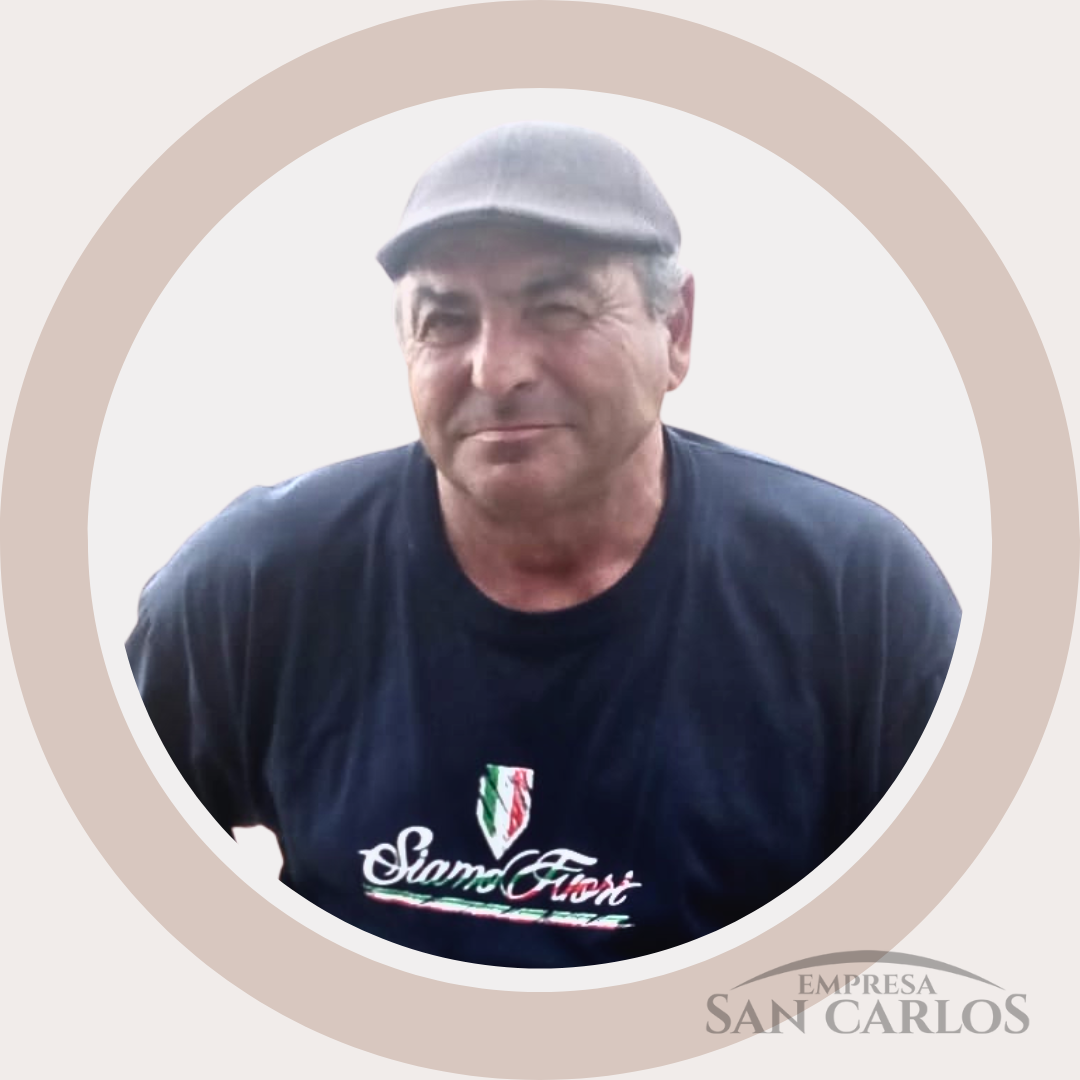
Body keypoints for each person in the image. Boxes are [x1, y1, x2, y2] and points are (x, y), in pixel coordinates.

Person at [126, 122, 960, 968]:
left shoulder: (856, 599)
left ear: (675, 330)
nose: (496, 371)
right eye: (446, 320)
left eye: (557, 309)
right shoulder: (259, 582)